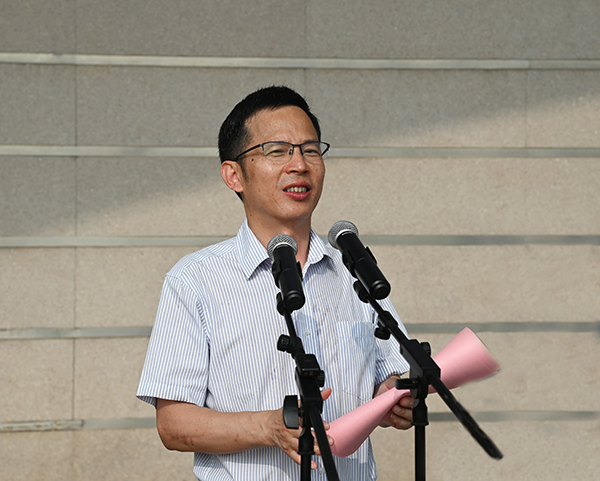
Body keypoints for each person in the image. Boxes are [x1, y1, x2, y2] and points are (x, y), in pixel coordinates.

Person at [137, 85, 414, 480]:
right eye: (278, 151)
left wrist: (392, 399)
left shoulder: (353, 269)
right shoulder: (196, 279)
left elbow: (389, 375)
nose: (299, 164)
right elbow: (173, 425)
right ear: (234, 175)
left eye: (311, 150)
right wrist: (267, 428)